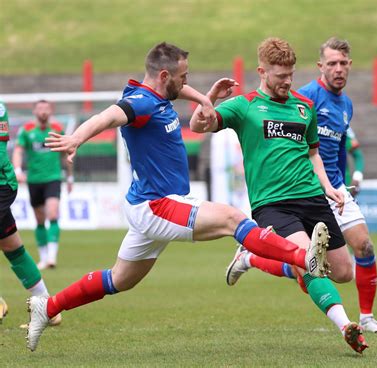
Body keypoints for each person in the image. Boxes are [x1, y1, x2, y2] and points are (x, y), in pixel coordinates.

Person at [26, 41, 325, 352]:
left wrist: (204, 99)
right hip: (157, 204)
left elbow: (179, 90)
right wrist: (76, 137)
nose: (187, 81)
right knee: (231, 219)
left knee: (119, 279)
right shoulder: (141, 103)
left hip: (151, 204)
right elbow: (109, 116)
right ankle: (303, 258)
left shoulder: (158, 91)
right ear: (165, 75)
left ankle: (46, 308)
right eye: (184, 76)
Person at [190, 38, 368, 354]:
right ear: (262, 71)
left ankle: (251, 257)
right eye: (280, 75)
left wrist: (328, 188)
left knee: (343, 272)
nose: (287, 81)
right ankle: (346, 325)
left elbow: (314, 154)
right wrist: (210, 99)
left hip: (313, 197)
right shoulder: (244, 106)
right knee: (311, 263)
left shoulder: (304, 106)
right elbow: (198, 125)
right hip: (272, 204)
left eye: (290, 74)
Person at [297, 37, 377, 332]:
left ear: (349, 65)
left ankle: (368, 317)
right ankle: (257, 257)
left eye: (342, 63)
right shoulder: (306, 97)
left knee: (364, 246)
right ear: (320, 66)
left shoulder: (346, 104)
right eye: (331, 63)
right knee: (321, 266)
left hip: (337, 189)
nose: (338, 69)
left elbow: (340, 148)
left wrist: (345, 184)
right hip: (308, 190)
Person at [0, 100, 61, 326]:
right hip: (30, 180)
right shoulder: (27, 131)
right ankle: (48, 308)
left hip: (1, 185)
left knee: (51, 214)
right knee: (11, 247)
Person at [12, 100, 74, 270]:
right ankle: (44, 257)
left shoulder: (57, 129)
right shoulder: (27, 130)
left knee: (53, 214)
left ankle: (52, 258)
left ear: (51, 111)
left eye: (46, 108)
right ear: (35, 112)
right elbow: (18, 150)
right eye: (40, 108)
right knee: (40, 220)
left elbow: (65, 154)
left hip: (53, 178)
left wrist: (69, 177)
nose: (43, 112)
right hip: (34, 180)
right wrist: (17, 170)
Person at [344, 127, 365, 197]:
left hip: (342, 184)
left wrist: (357, 177)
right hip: (315, 186)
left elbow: (358, 156)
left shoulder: (343, 129)